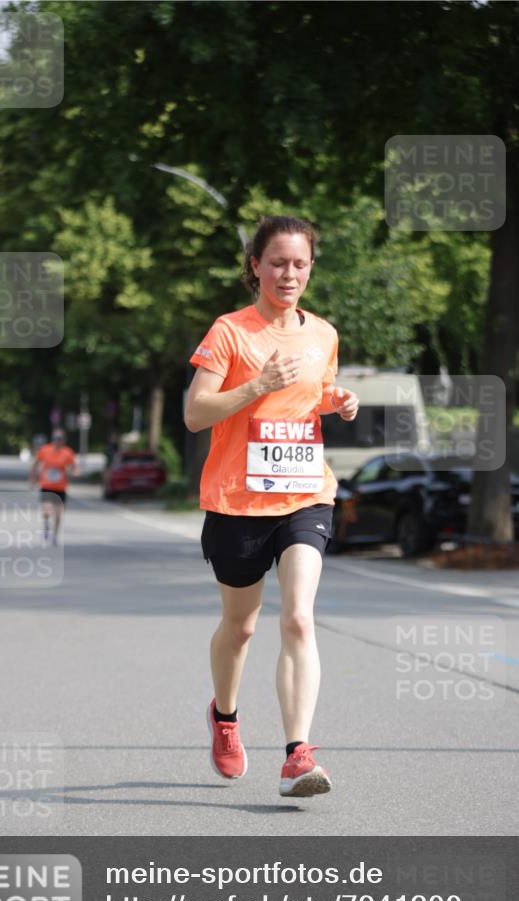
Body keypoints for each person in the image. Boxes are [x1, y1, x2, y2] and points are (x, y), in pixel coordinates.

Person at [185, 215, 359, 797]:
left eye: (300, 264)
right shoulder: (230, 332)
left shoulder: (324, 334)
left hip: (305, 494)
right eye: (278, 262)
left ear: (311, 268)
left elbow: (313, 394)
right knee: (240, 628)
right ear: (255, 265)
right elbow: (196, 413)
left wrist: (338, 400)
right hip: (237, 500)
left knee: (299, 618)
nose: (289, 274)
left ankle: (297, 755)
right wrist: (257, 385)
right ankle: (225, 717)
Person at [29, 429, 78, 544]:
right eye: (55, 438)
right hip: (47, 486)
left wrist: (74, 472)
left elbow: (74, 468)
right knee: (46, 511)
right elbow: (35, 465)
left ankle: (55, 535)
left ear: (64, 440)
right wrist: (33, 480)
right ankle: (46, 527)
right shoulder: (45, 450)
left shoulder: (68, 452)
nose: (57, 441)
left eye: (60, 439)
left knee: (59, 515)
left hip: (60, 488)